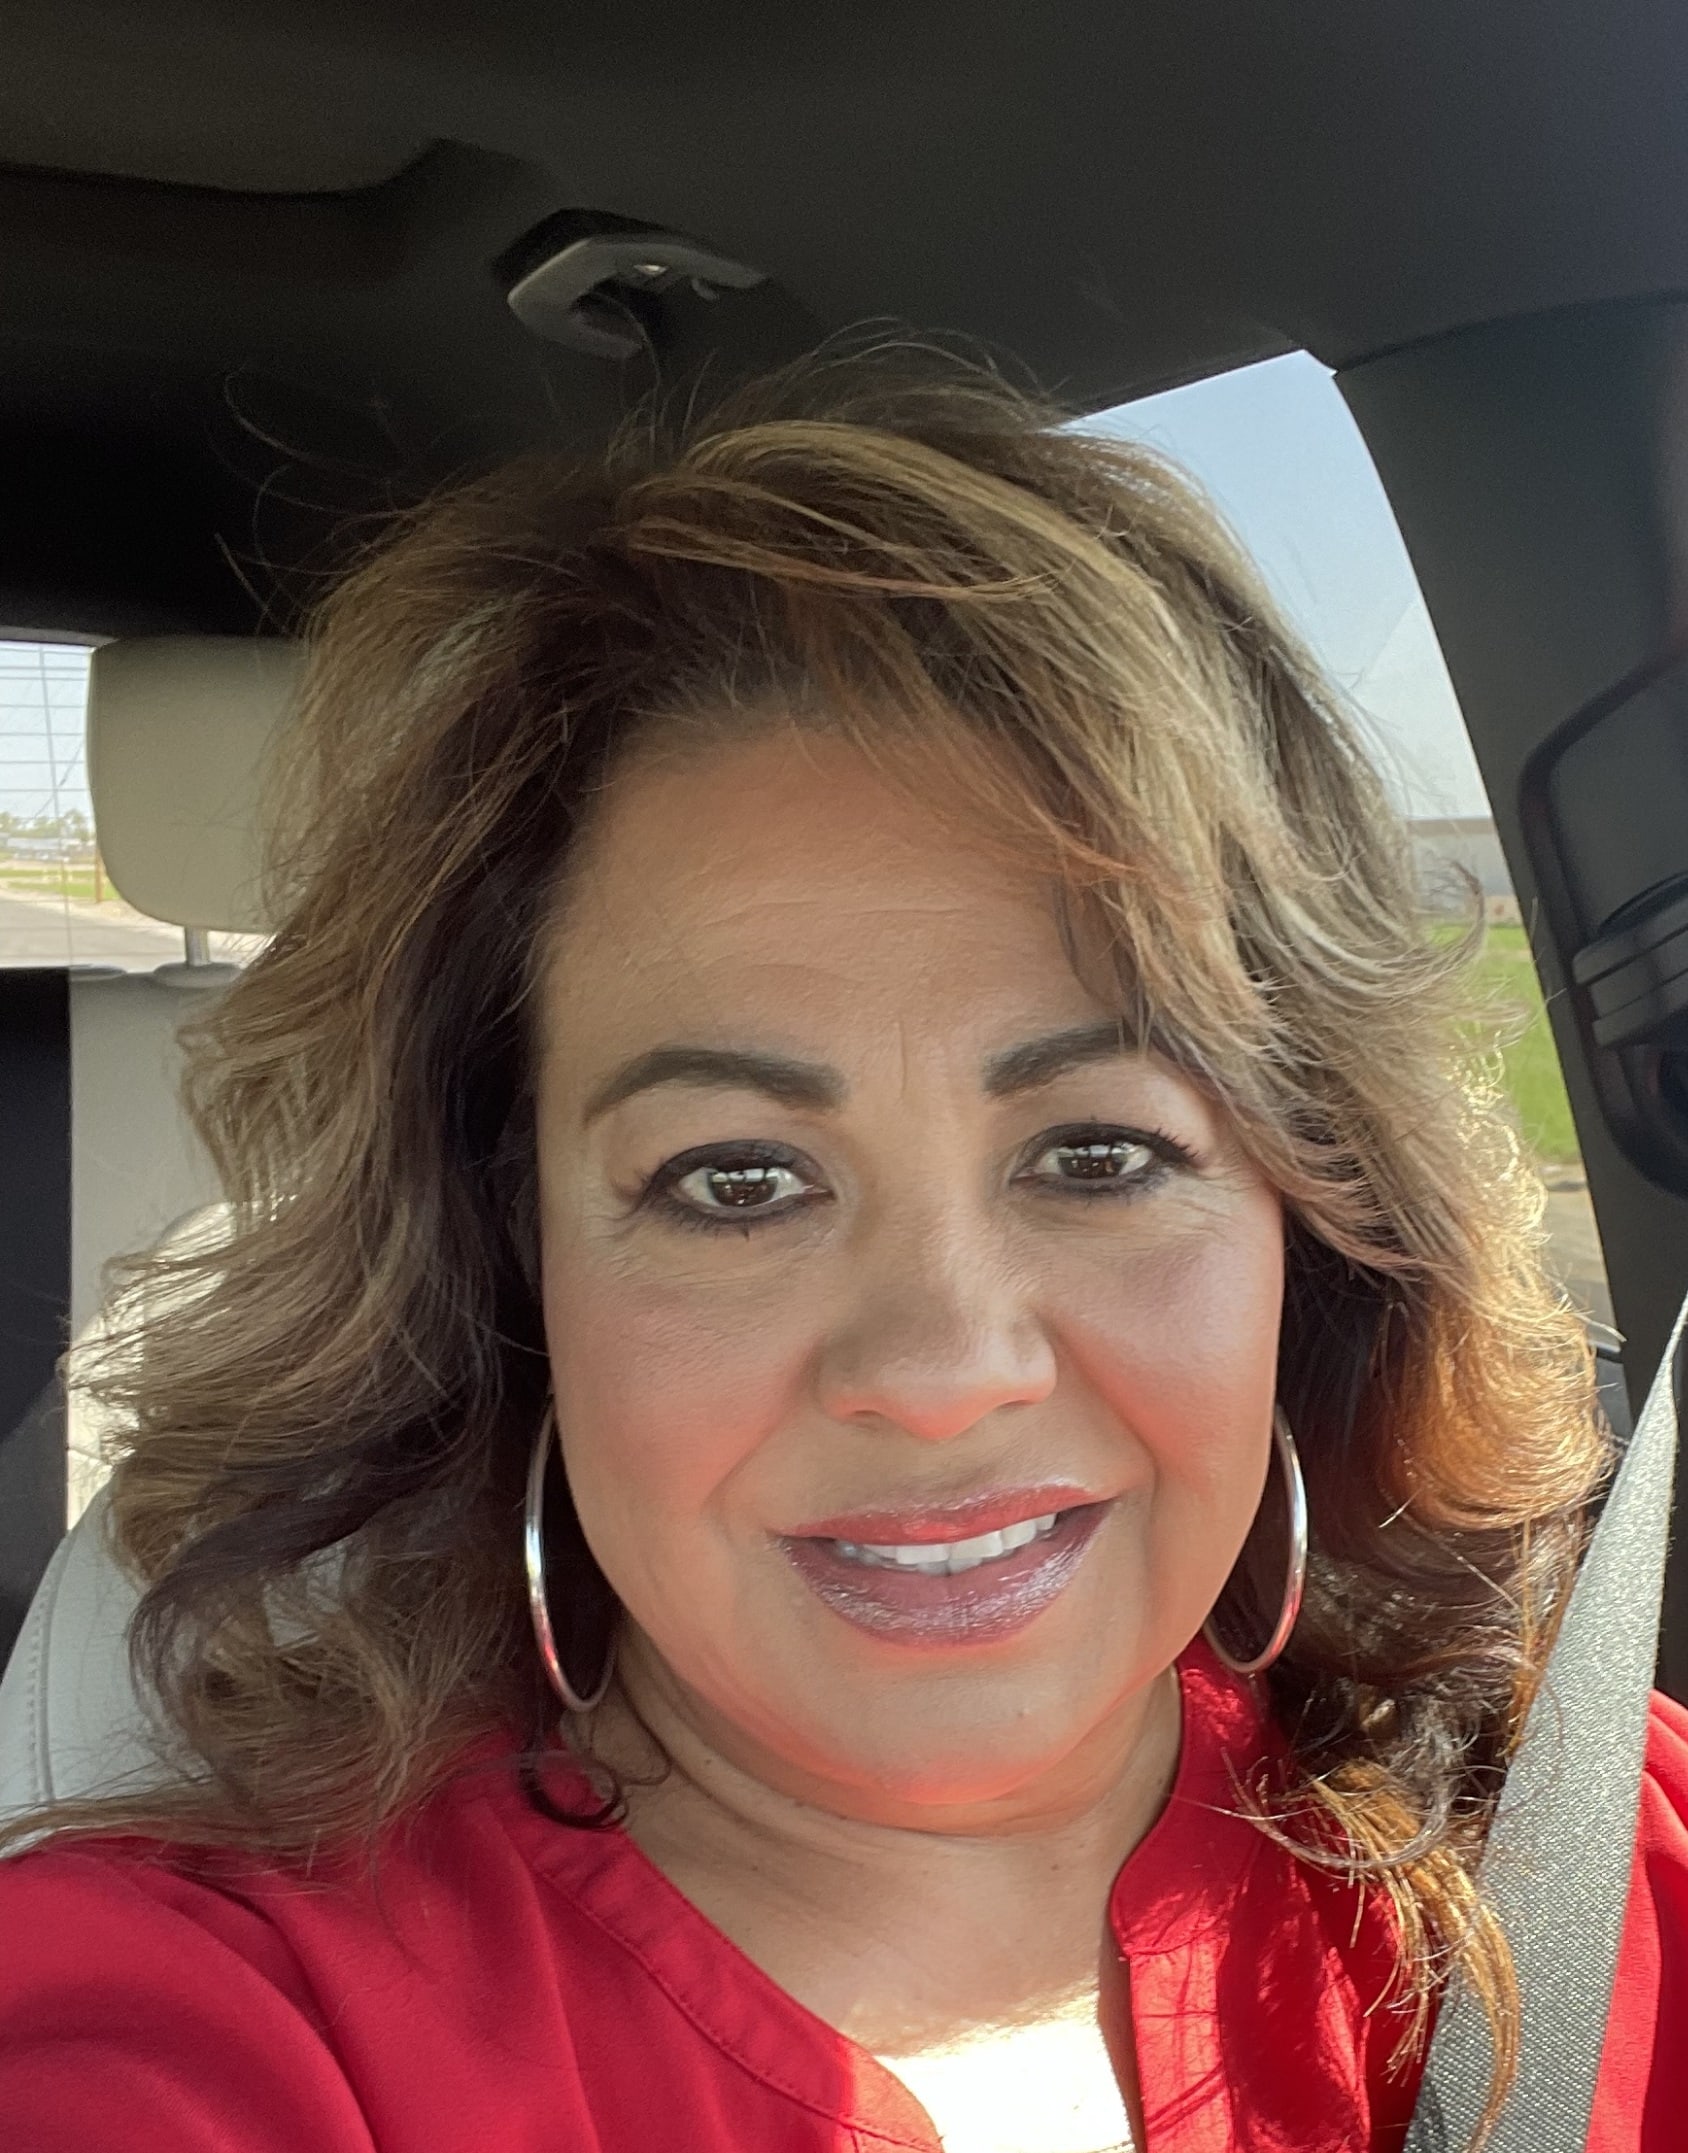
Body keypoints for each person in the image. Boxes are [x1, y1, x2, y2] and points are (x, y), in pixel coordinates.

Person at [0, 347, 1682, 2153]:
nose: (943, 1369)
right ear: (513, 1268)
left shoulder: (1601, 1863)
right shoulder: (220, 2033)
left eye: (1100, 1153)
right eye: (736, 1179)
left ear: (1313, 1233)